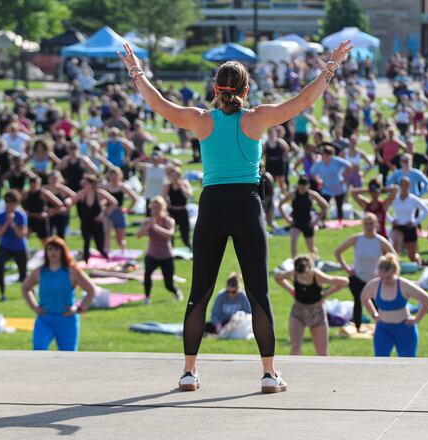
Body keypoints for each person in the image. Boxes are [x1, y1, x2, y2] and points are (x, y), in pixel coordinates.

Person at [120, 39, 353, 393]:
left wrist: (136, 70)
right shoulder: (257, 117)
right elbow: (304, 100)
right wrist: (331, 65)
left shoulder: (200, 120)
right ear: (247, 89)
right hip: (246, 205)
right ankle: (269, 374)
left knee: (200, 291)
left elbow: (159, 103)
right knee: (258, 291)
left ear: (216, 89)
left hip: (213, 205)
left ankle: (189, 371)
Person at [21, 237, 97, 351]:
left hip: (67, 319)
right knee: (38, 351)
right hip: (45, 318)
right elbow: (25, 287)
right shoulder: (40, 272)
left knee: (68, 356)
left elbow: (91, 290)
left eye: (56, 249)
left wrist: (79, 309)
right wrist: (35, 307)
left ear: (63, 251)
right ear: (46, 252)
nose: (53, 252)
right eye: (50, 249)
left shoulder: (72, 271)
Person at [273, 255, 349, 355]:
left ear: (310, 269)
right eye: (300, 275)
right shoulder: (294, 273)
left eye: (306, 274)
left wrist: (325, 294)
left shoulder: (317, 275)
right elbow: (277, 277)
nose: (303, 278)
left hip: (317, 312)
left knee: (322, 353)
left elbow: (344, 281)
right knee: (295, 349)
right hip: (298, 312)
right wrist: (291, 290)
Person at [334, 213, 397, 331]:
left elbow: (394, 257)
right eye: (366, 224)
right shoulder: (357, 239)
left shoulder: (380, 240)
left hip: (375, 279)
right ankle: (358, 327)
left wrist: (385, 271)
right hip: (357, 277)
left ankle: (384, 325)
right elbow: (337, 252)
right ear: (363, 225)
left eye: (371, 223)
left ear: (377, 225)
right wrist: (346, 268)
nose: (369, 226)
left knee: (378, 304)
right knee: (358, 301)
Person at [361, 254, 428, 357]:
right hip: (383, 328)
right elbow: (364, 298)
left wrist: (416, 319)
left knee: (407, 360)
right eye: (382, 277)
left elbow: (426, 299)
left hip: (404, 328)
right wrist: (374, 314)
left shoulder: (403, 285)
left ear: (394, 272)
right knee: (380, 360)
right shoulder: (375, 284)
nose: (385, 280)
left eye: (388, 277)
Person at [137, 196, 183, 304]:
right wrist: (147, 227)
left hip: (166, 255)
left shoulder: (168, 221)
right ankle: (147, 297)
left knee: (168, 283)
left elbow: (170, 235)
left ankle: (177, 292)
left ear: (162, 208)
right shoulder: (148, 221)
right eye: (153, 208)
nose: (155, 210)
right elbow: (138, 235)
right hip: (152, 254)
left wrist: (155, 227)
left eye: (157, 207)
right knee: (147, 276)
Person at [279, 176, 329, 258]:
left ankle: (315, 262)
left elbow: (325, 206)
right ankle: (295, 264)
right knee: (293, 245)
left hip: (308, 223)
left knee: (311, 248)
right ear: (298, 185)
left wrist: (316, 221)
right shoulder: (293, 194)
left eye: (303, 187)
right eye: (300, 187)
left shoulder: (312, 195)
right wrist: (286, 218)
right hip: (295, 222)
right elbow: (280, 205)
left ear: (308, 186)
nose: (301, 189)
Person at [71, 175, 117, 262]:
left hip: (97, 223)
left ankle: (107, 259)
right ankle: (86, 261)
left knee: (100, 247)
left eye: (86, 183)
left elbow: (114, 202)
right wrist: (66, 204)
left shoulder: (99, 193)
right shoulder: (82, 193)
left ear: (91, 184)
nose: (84, 184)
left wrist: (104, 214)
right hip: (85, 222)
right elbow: (72, 200)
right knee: (86, 241)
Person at [0, 191, 30, 301]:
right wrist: (7, 222)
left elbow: (22, 235)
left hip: (19, 247)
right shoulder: (1, 216)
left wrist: (13, 224)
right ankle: (2, 293)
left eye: (12, 202)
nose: (9, 205)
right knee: (0, 268)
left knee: (23, 274)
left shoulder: (21, 215)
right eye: (7, 202)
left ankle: (27, 294)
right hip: (5, 246)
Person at [391, 176, 428, 263]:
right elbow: (384, 208)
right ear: (399, 186)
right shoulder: (394, 198)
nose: (404, 187)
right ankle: (395, 265)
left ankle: (421, 263)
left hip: (409, 227)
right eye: (402, 185)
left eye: (406, 185)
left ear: (409, 186)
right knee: (396, 244)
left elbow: (427, 211)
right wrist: (391, 220)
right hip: (398, 226)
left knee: (412, 256)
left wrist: (415, 222)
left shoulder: (413, 199)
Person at [311, 145, 351, 222]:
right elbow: (312, 173)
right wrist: (319, 180)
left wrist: (345, 179)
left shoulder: (336, 160)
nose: (321, 155)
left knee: (339, 205)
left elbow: (349, 166)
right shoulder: (319, 163)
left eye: (323, 154)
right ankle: (322, 221)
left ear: (329, 154)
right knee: (324, 205)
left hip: (338, 186)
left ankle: (340, 221)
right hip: (326, 188)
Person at [101, 167, 138, 251]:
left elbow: (135, 198)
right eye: (112, 176)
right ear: (109, 176)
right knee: (106, 233)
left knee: (120, 239)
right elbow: (100, 199)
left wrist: (128, 209)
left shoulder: (122, 187)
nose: (113, 178)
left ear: (119, 176)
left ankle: (123, 251)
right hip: (108, 212)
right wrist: (103, 206)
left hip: (119, 212)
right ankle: (107, 251)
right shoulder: (106, 187)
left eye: (115, 176)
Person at [22, 177, 64, 247]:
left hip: (41, 219)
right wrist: (24, 211)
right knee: (23, 239)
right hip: (30, 218)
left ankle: (47, 255)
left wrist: (50, 213)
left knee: (45, 242)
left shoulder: (43, 193)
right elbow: (19, 204)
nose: (34, 186)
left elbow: (59, 204)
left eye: (36, 184)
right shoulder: (26, 194)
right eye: (32, 184)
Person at [162, 167, 193, 249]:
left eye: (176, 176)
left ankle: (191, 250)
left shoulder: (185, 184)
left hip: (182, 211)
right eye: (172, 176)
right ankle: (170, 252)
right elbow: (162, 199)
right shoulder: (168, 186)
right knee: (170, 234)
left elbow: (189, 195)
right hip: (171, 212)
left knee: (185, 235)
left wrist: (181, 187)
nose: (174, 178)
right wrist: (165, 211)